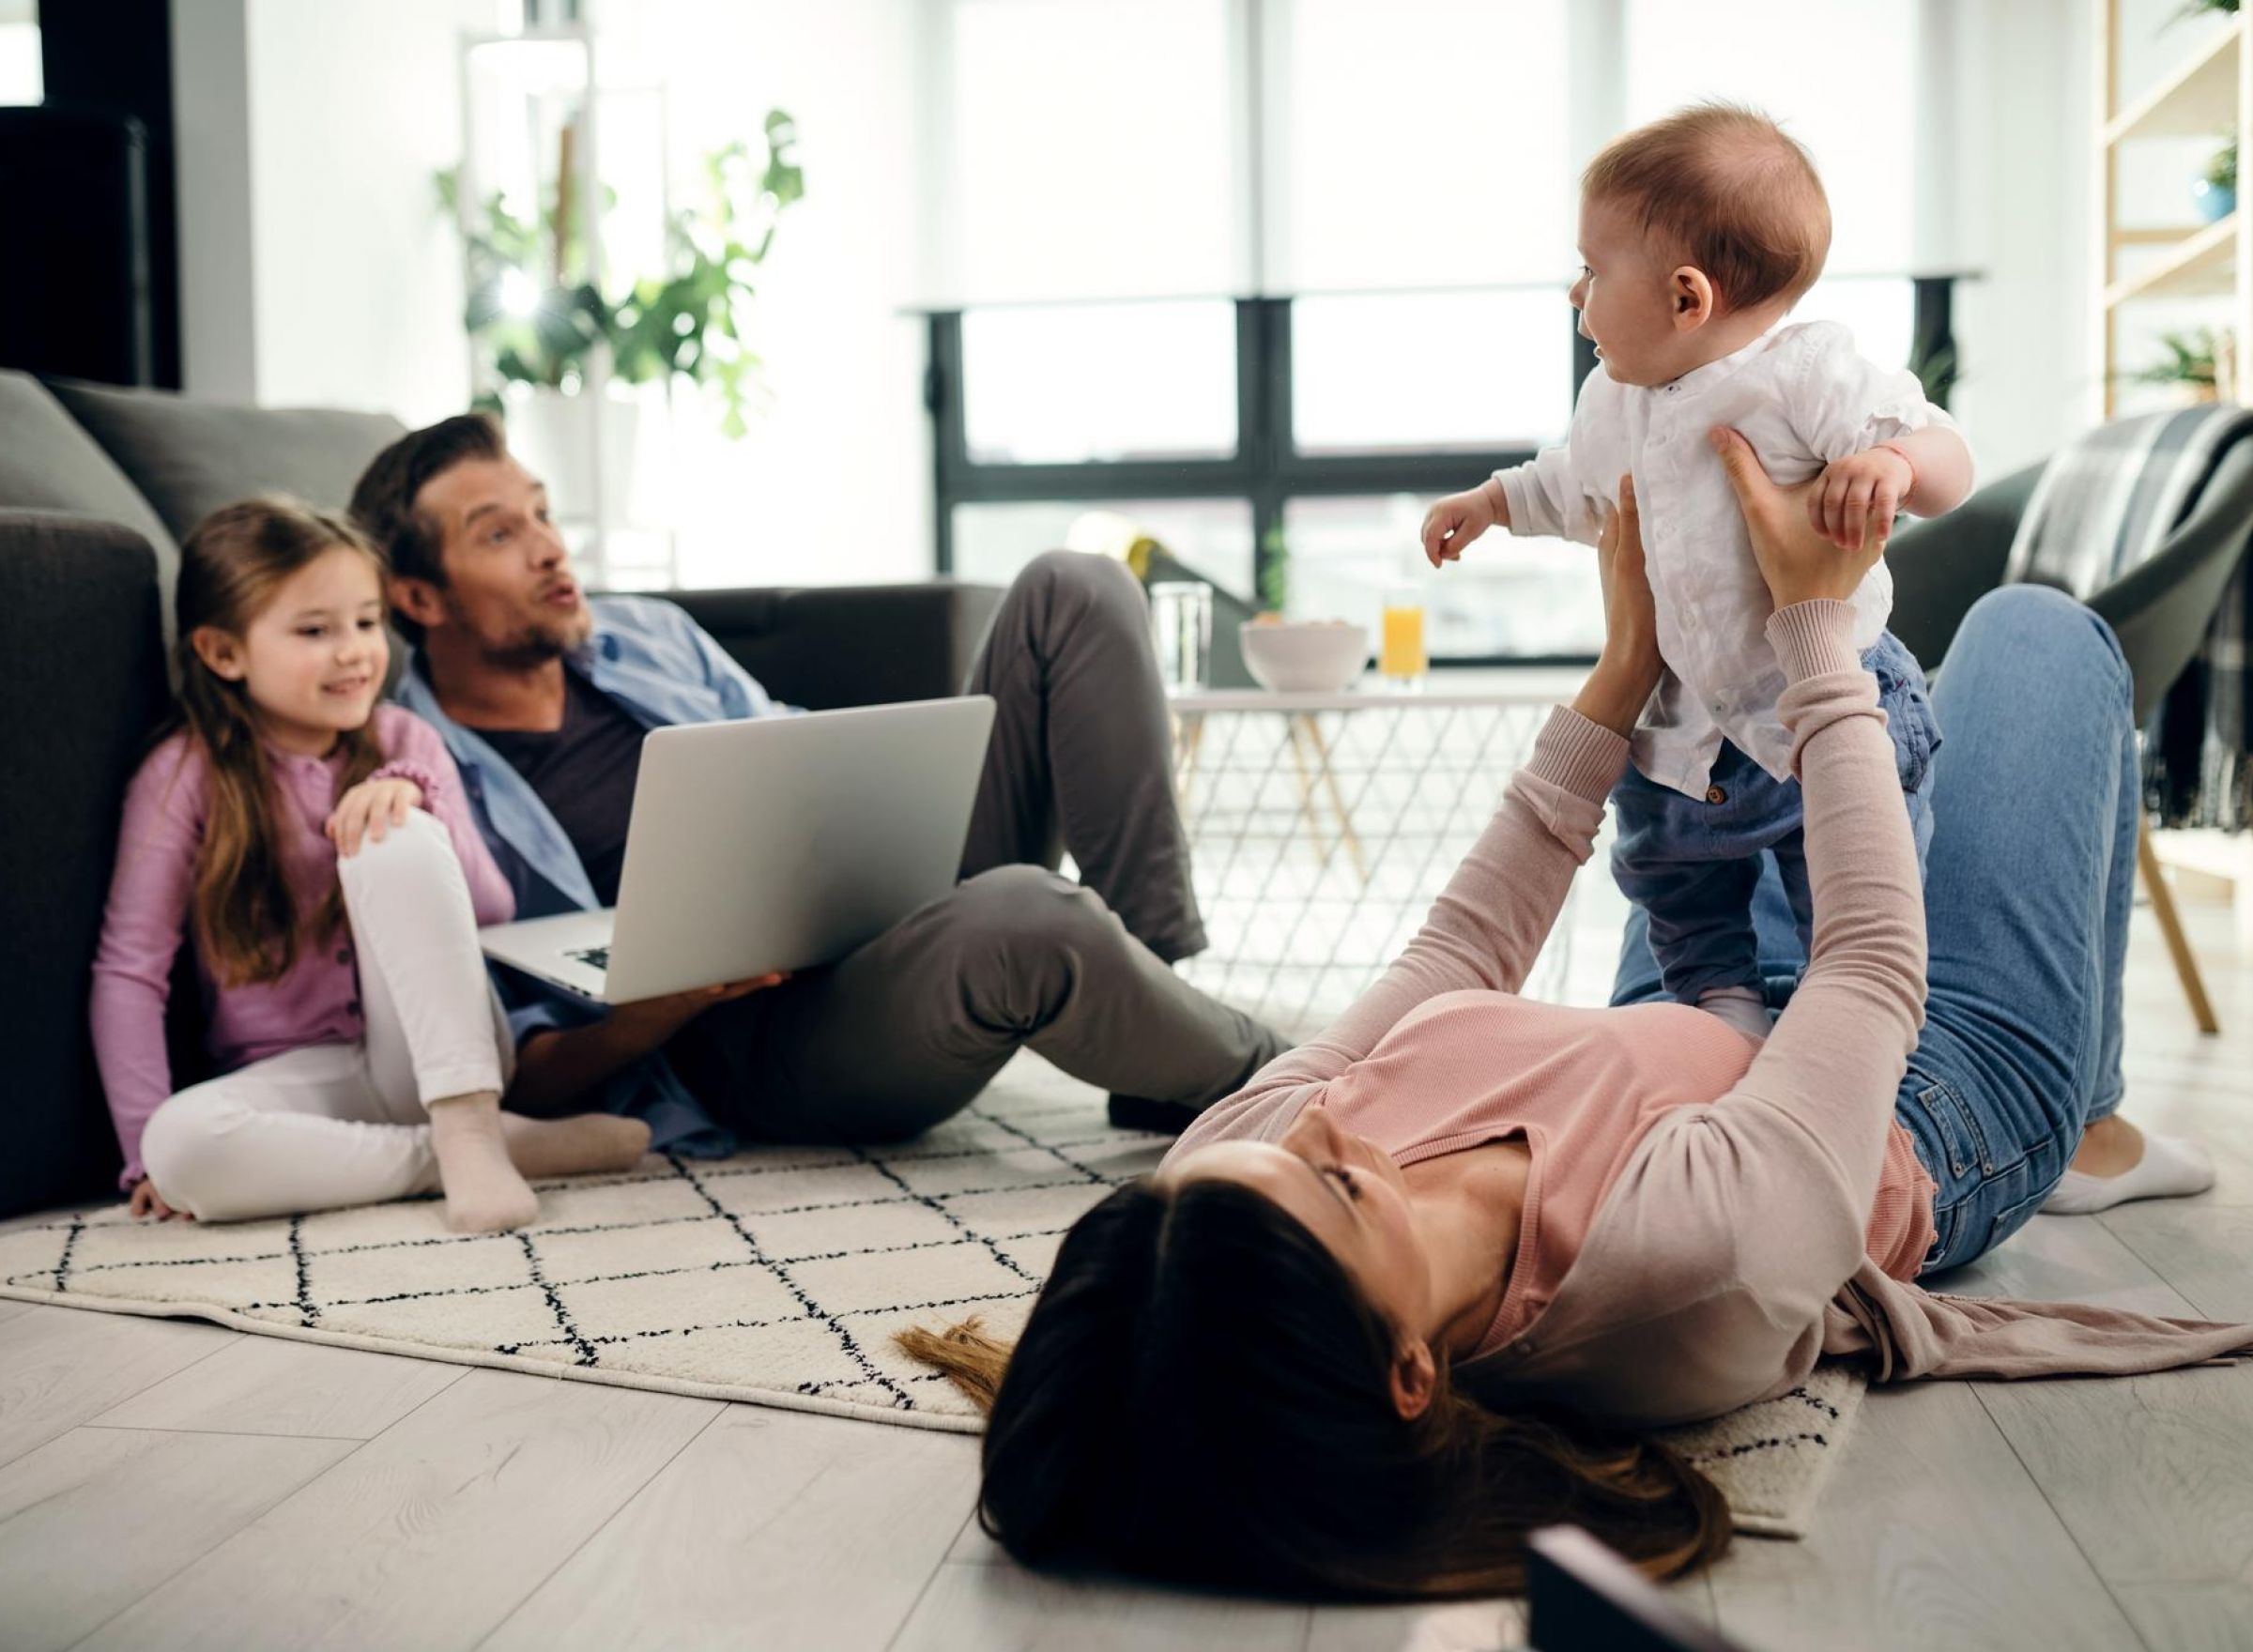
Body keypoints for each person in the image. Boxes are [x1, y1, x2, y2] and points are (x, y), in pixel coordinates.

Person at [902, 430, 2241, 1600]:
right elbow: (1870, 970)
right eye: (1348, 1194)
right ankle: (2075, 1125)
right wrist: (1815, 643)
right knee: (2032, 635)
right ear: (1409, 1379)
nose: (1336, 1130)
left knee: (1761, 689)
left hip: (1684, 1002)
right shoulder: (1692, 1273)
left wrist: (1621, 673)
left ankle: (2085, 1101)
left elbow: (1455, 956)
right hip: (1920, 1094)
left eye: (1295, 1146)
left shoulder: (1221, 1206)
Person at [345, 414, 1282, 1155]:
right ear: (419, 598)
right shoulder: (419, 773)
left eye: (543, 513)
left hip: (864, 898)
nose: (549, 547)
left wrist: (875, 791)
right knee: (1030, 918)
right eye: (500, 533)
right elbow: (520, 1071)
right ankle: (1294, 1078)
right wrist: (661, 1001)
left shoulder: (648, 635)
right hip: (766, 1038)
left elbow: (793, 753)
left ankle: (1160, 994)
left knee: (1075, 586)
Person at [1419, 103, 1974, 1045]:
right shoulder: (1613, 398)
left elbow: (1949, 457)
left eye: (1592, 270)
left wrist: (1896, 466)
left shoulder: (1807, 371)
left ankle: (1840, 1013)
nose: (1574, 292)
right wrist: (1492, 501)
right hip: (1689, 718)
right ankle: (1719, 1005)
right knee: (1663, 864)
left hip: (1825, 708)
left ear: (1687, 298)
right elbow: (1569, 484)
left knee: (1839, 874)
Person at [90, 497, 649, 1231]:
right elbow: (131, 968)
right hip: (308, 1078)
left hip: (447, 1056)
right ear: (224, 653)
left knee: (394, 832)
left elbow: (491, 908)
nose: (354, 650)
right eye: (315, 631)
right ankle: (474, 1154)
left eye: (364, 621)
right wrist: (141, 1155)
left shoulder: (404, 739)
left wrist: (410, 800)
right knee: (180, 1147)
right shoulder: (183, 774)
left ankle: (471, 1129)